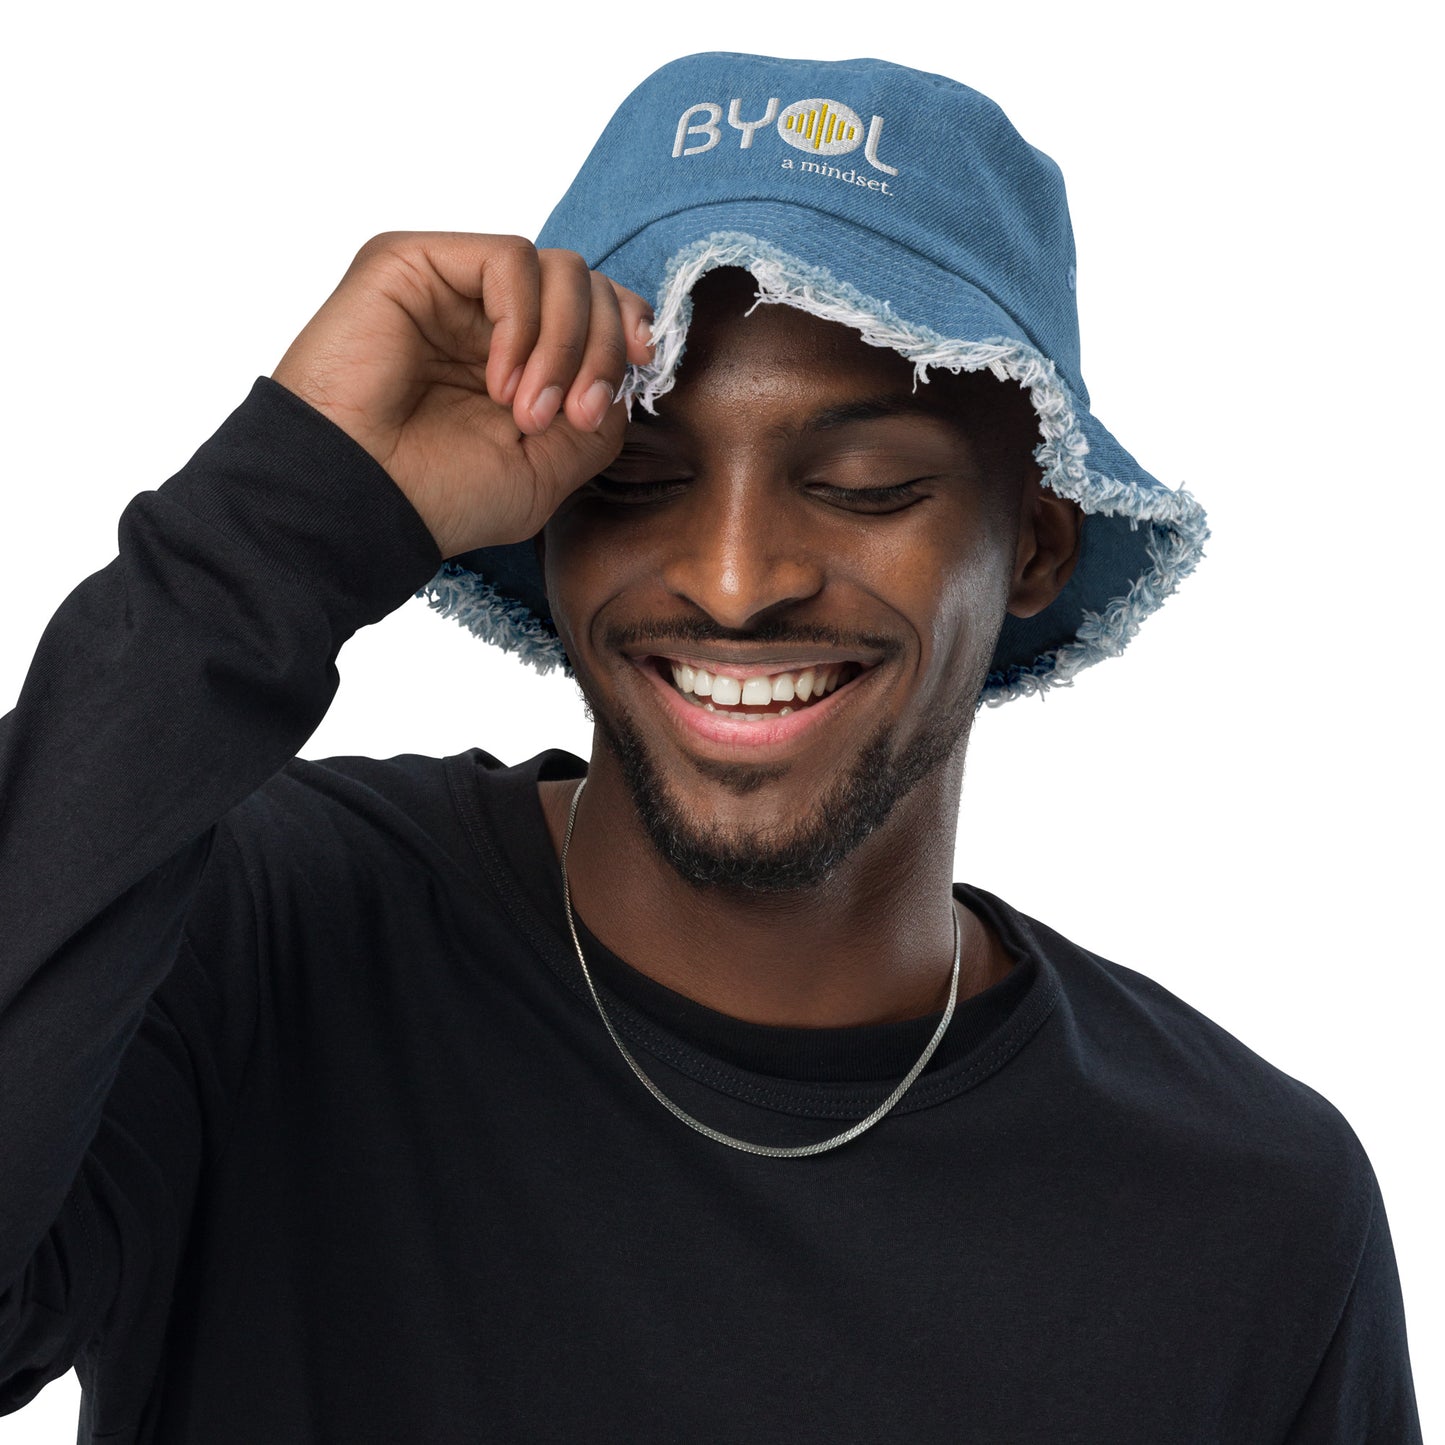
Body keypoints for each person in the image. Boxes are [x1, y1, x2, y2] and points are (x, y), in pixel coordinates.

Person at [0, 50, 1419, 1443]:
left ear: (1035, 540)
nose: (735, 579)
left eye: (862, 484)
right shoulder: (251, 938)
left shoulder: (1246, 1214)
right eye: (636, 479)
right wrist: (279, 517)